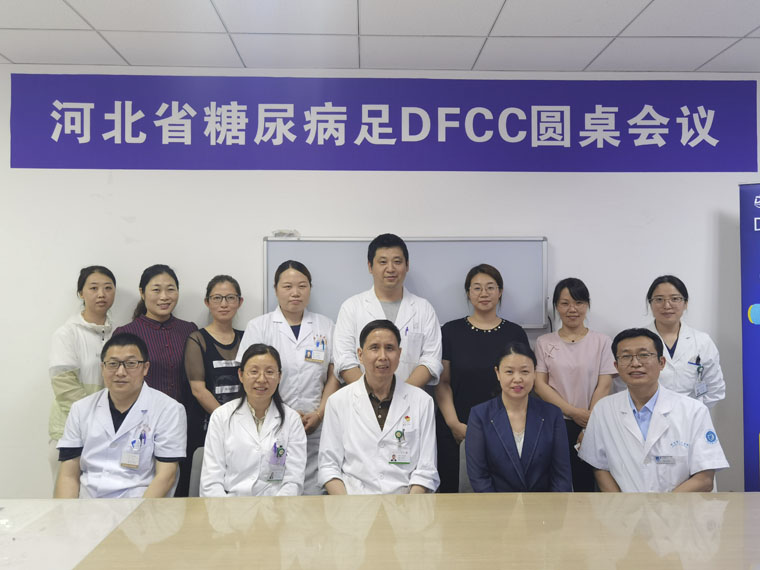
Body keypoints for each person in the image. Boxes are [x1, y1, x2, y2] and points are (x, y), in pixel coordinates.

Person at [578, 328, 729, 493]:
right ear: (616, 366)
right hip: (625, 508)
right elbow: (599, 466)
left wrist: (663, 506)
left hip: (681, 507)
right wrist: (620, 503)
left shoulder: (694, 410)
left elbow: (705, 479)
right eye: (626, 357)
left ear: (661, 363)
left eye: (644, 355)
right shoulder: (603, 410)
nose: (635, 363)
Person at [235, 261, 340, 495]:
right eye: (287, 286)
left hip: (316, 424)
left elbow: (334, 375)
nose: (295, 292)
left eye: (302, 286)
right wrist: (288, 417)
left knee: (313, 492)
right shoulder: (259, 326)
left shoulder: (326, 326)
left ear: (310, 288)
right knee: (275, 489)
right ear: (275, 289)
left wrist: (319, 414)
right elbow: (251, 378)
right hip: (273, 421)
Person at [54, 333, 187, 499]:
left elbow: (166, 477)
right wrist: (67, 512)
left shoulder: (169, 409)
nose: (120, 372)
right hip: (88, 504)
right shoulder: (80, 409)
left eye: (131, 364)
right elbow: (68, 475)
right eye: (112, 364)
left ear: (145, 368)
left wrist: (138, 513)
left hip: (140, 503)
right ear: (102, 368)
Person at [435, 263, 529, 492]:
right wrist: (454, 424)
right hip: (456, 428)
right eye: (477, 288)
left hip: (505, 429)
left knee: (500, 496)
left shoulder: (515, 333)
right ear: (468, 293)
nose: (484, 293)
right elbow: (442, 382)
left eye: (490, 287)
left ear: (500, 291)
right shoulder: (451, 331)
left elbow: (523, 383)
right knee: (454, 496)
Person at [319, 320, 439, 495]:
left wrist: (409, 507)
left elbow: (426, 470)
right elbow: (328, 466)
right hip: (354, 502)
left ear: (399, 354)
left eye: (389, 348)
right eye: (374, 348)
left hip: (405, 502)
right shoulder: (338, 401)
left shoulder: (422, 401)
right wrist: (347, 505)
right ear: (360, 355)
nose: (383, 356)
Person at [113, 264, 197, 495]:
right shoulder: (126, 333)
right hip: (142, 426)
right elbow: (120, 383)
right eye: (156, 290)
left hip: (184, 424)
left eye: (170, 289)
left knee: (181, 490)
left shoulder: (189, 330)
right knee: (145, 487)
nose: (164, 296)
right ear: (142, 292)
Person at [533, 278, 616, 492]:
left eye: (579, 302)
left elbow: (604, 385)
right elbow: (540, 385)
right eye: (565, 303)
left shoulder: (602, 342)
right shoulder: (544, 342)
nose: (572, 309)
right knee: (554, 483)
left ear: (587, 305)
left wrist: (588, 423)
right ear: (556, 307)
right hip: (555, 421)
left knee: (587, 482)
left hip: (592, 422)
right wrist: (572, 412)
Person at [333, 233, 442, 388]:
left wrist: (402, 395)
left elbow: (431, 360)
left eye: (397, 262)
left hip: (411, 397)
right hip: (362, 397)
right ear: (370, 267)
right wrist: (370, 395)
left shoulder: (423, 309)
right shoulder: (351, 307)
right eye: (383, 262)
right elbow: (344, 359)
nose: (390, 269)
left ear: (407, 265)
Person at [200, 344, 307, 496]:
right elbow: (211, 482)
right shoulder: (221, 416)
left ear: (279, 377)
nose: (261, 379)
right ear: (241, 375)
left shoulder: (292, 420)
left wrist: (278, 508)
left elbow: (293, 481)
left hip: (276, 505)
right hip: (231, 504)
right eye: (254, 371)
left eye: (269, 372)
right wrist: (226, 510)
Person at [465, 342, 572, 492]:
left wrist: (551, 507)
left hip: (543, 504)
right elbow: (479, 477)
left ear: (534, 373)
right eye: (509, 372)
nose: (517, 379)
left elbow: (561, 476)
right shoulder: (480, 415)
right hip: (496, 503)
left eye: (525, 372)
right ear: (497, 373)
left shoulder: (552, 415)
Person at [48, 266, 117, 481]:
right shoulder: (67, 333)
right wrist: (97, 419)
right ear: (81, 293)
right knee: (67, 495)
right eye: (93, 288)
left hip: (109, 432)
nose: (101, 294)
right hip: (70, 431)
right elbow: (65, 387)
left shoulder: (119, 334)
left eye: (108, 288)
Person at [184, 275, 245, 459]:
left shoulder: (247, 337)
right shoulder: (197, 339)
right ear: (207, 302)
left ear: (239, 302)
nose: (224, 304)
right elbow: (198, 389)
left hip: (245, 426)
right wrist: (228, 421)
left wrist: (243, 422)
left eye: (230, 298)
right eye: (217, 298)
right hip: (209, 426)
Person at [645, 275, 725, 408]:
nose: (667, 305)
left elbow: (715, 388)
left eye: (675, 299)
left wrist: (693, 413)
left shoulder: (702, 341)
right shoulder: (636, 341)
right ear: (650, 304)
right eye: (659, 299)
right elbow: (626, 385)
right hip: (647, 415)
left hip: (691, 416)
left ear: (685, 303)